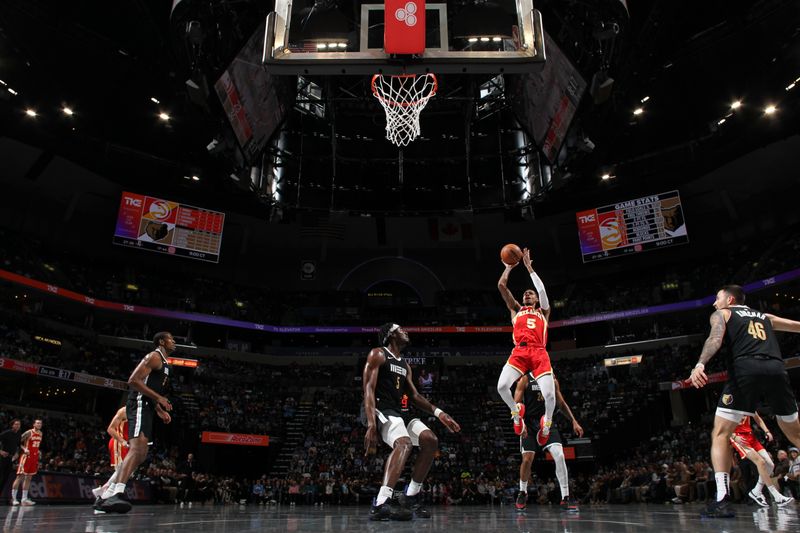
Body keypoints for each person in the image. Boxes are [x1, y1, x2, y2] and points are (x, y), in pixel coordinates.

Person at [688, 285, 800, 517]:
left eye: (716, 298)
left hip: (746, 369)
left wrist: (700, 364)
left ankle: (722, 500)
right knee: (796, 434)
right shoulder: (764, 316)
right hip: (777, 369)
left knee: (720, 433)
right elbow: (795, 326)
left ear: (729, 299)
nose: (714, 303)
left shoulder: (724, 313)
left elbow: (715, 338)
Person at [362, 323, 461, 521]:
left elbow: (414, 396)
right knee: (404, 444)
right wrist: (371, 423)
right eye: (400, 329)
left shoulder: (405, 365)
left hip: (400, 412)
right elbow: (368, 389)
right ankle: (381, 503)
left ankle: (410, 496)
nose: (405, 332)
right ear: (390, 335)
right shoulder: (378, 354)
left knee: (430, 440)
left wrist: (440, 413)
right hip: (382, 409)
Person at [99, 332, 174, 513]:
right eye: (171, 339)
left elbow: (151, 390)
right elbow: (133, 380)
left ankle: (105, 494)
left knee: (141, 453)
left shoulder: (164, 363)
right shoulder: (154, 356)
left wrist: (159, 409)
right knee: (136, 448)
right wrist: (160, 398)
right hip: (138, 403)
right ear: (162, 341)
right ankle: (115, 493)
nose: (174, 342)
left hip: (148, 405)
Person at [496, 248, 555, 446]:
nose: (528, 294)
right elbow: (501, 286)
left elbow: (542, 290)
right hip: (520, 351)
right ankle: (515, 413)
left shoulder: (544, 312)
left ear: (536, 299)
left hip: (539, 352)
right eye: (525, 293)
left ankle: (546, 424)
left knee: (549, 395)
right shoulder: (516, 309)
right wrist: (508, 268)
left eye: (531, 293)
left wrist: (529, 268)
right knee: (502, 386)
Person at [513, 372, 583, 512]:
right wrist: (519, 423)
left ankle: (566, 497)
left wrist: (574, 421)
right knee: (527, 459)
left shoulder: (552, 379)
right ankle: (522, 492)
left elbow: (561, 404)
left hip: (547, 422)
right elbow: (516, 405)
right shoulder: (525, 379)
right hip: (530, 424)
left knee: (560, 456)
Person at [729, 412, 792, 507]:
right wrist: (734, 436)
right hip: (738, 437)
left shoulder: (748, 403)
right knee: (761, 462)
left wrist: (767, 431)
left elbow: (758, 418)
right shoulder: (729, 404)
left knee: (770, 465)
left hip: (750, 436)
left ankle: (756, 491)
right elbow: (722, 427)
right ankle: (777, 496)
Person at [91, 407, 129, 512]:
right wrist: (122, 441)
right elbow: (110, 429)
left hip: (127, 444)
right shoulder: (124, 411)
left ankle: (102, 492)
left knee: (126, 471)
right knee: (121, 470)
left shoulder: (139, 412)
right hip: (119, 442)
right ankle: (102, 499)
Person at [10, 419, 42, 506]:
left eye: (40, 423)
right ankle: (13, 499)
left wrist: (38, 451)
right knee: (20, 477)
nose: (39, 424)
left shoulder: (40, 433)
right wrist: (24, 449)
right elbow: (18, 441)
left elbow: (36, 445)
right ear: (34, 424)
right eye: (38, 423)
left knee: (29, 478)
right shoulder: (29, 432)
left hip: (34, 458)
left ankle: (24, 499)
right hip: (26, 457)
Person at [0, 419, 21, 496]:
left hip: (11, 459)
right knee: (1, 476)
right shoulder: (6, 433)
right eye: (16, 424)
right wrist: (0, 451)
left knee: (5, 479)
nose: (17, 426)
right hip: (2, 458)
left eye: (19, 424)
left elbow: (17, 445)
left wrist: (17, 453)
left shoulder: (19, 435)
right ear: (12, 425)